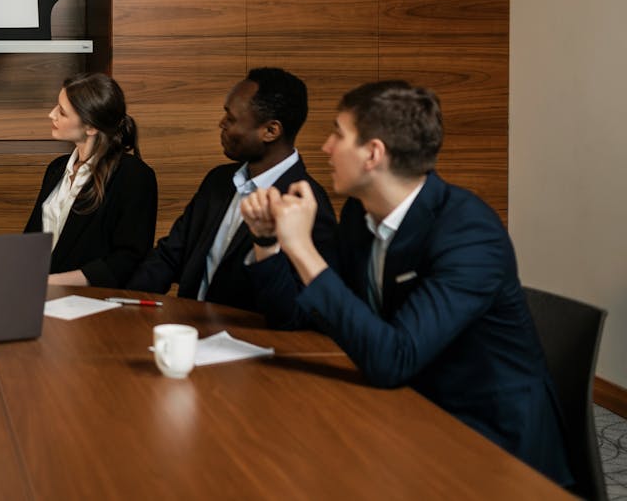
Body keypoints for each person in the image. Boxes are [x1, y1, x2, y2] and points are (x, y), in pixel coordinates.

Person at [240, 81, 572, 486]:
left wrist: (303, 250)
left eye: (338, 134)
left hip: (493, 444)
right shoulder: (358, 219)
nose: (326, 147)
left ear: (373, 154)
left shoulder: (468, 231)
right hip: (407, 406)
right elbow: (292, 318)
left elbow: (392, 360)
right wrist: (269, 242)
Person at [126, 67, 336, 310]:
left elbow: (300, 308)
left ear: (271, 131)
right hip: (190, 330)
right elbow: (170, 254)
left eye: (231, 118)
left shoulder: (307, 205)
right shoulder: (218, 180)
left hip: (251, 343)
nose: (221, 123)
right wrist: (124, 302)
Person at [23, 73, 157, 287]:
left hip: (92, 303)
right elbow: (31, 241)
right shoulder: (56, 169)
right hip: (40, 295)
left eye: (62, 112)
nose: (51, 114)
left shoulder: (134, 176)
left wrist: (48, 282)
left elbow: (126, 260)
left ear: (91, 127)